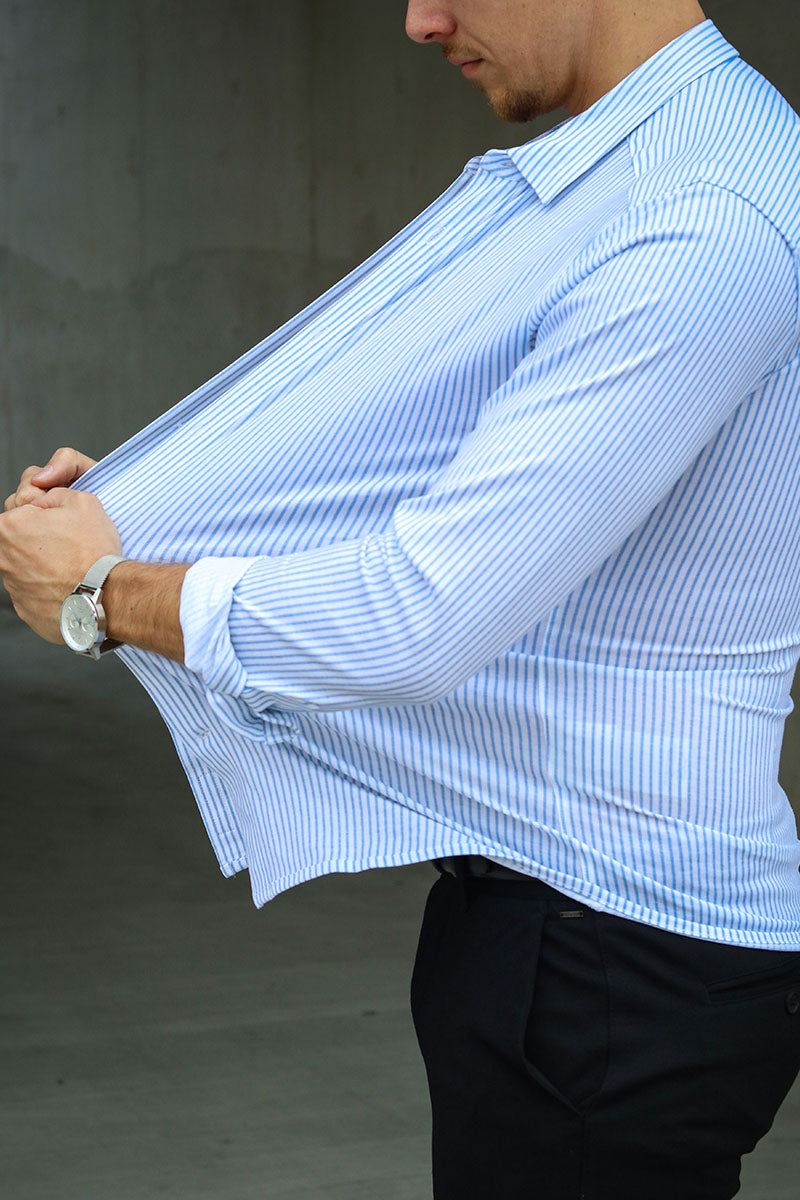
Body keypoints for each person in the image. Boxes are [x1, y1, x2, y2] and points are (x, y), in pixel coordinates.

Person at [2, 1, 800, 1196]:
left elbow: (419, 615)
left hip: (611, 970)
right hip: (579, 942)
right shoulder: (644, 172)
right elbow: (424, 482)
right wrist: (137, 514)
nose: (419, 20)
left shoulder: (704, 218)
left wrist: (105, 592)